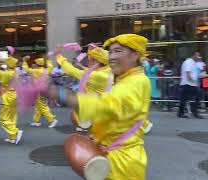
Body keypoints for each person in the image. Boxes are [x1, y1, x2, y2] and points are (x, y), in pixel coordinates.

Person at [43, 34, 151, 179]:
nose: (111, 56)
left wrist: (60, 94)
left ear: (135, 55)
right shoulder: (120, 76)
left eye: (117, 51)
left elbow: (107, 104)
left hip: (122, 163)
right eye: (110, 52)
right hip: (108, 148)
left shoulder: (135, 81)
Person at [55, 46, 112, 132]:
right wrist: (81, 65)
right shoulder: (108, 70)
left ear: (96, 61)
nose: (88, 62)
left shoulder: (97, 76)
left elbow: (71, 71)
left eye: (89, 60)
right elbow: (92, 71)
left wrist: (58, 55)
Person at [0, 55, 23, 144]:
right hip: (14, 95)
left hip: (8, 96)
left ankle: (15, 132)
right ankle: (13, 137)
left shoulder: (7, 73)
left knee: (4, 119)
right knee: (12, 117)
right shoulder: (15, 72)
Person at [22, 57, 58, 128]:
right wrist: (48, 59)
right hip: (44, 90)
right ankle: (36, 121)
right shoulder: (47, 70)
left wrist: (24, 61)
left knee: (42, 106)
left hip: (39, 91)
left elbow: (26, 69)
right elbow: (51, 66)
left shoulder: (36, 71)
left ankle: (52, 120)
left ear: (37, 64)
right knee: (38, 106)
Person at [178, 51, 204, 119]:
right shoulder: (189, 62)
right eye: (197, 56)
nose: (198, 57)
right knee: (185, 98)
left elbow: (194, 73)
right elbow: (188, 72)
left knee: (187, 98)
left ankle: (191, 112)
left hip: (191, 84)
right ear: (194, 55)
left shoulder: (194, 63)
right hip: (187, 83)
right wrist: (192, 79)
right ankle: (186, 112)